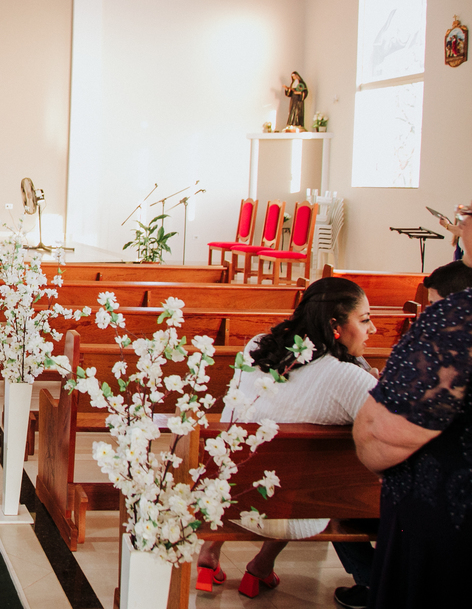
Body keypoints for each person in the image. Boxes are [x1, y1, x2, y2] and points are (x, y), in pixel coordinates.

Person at [195, 278, 378, 607]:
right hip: (297, 514)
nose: (372, 329)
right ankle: (260, 566)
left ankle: (209, 551)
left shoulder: (258, 345)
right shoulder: (349, 377)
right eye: (364, 320)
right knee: (311, 472)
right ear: (335, 326)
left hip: (229, 496)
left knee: (266, 445)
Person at [355, 207, 472, 609]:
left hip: (450, 523)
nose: (462, 225)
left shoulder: (459, 318)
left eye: (467, 214)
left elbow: (381, 436)